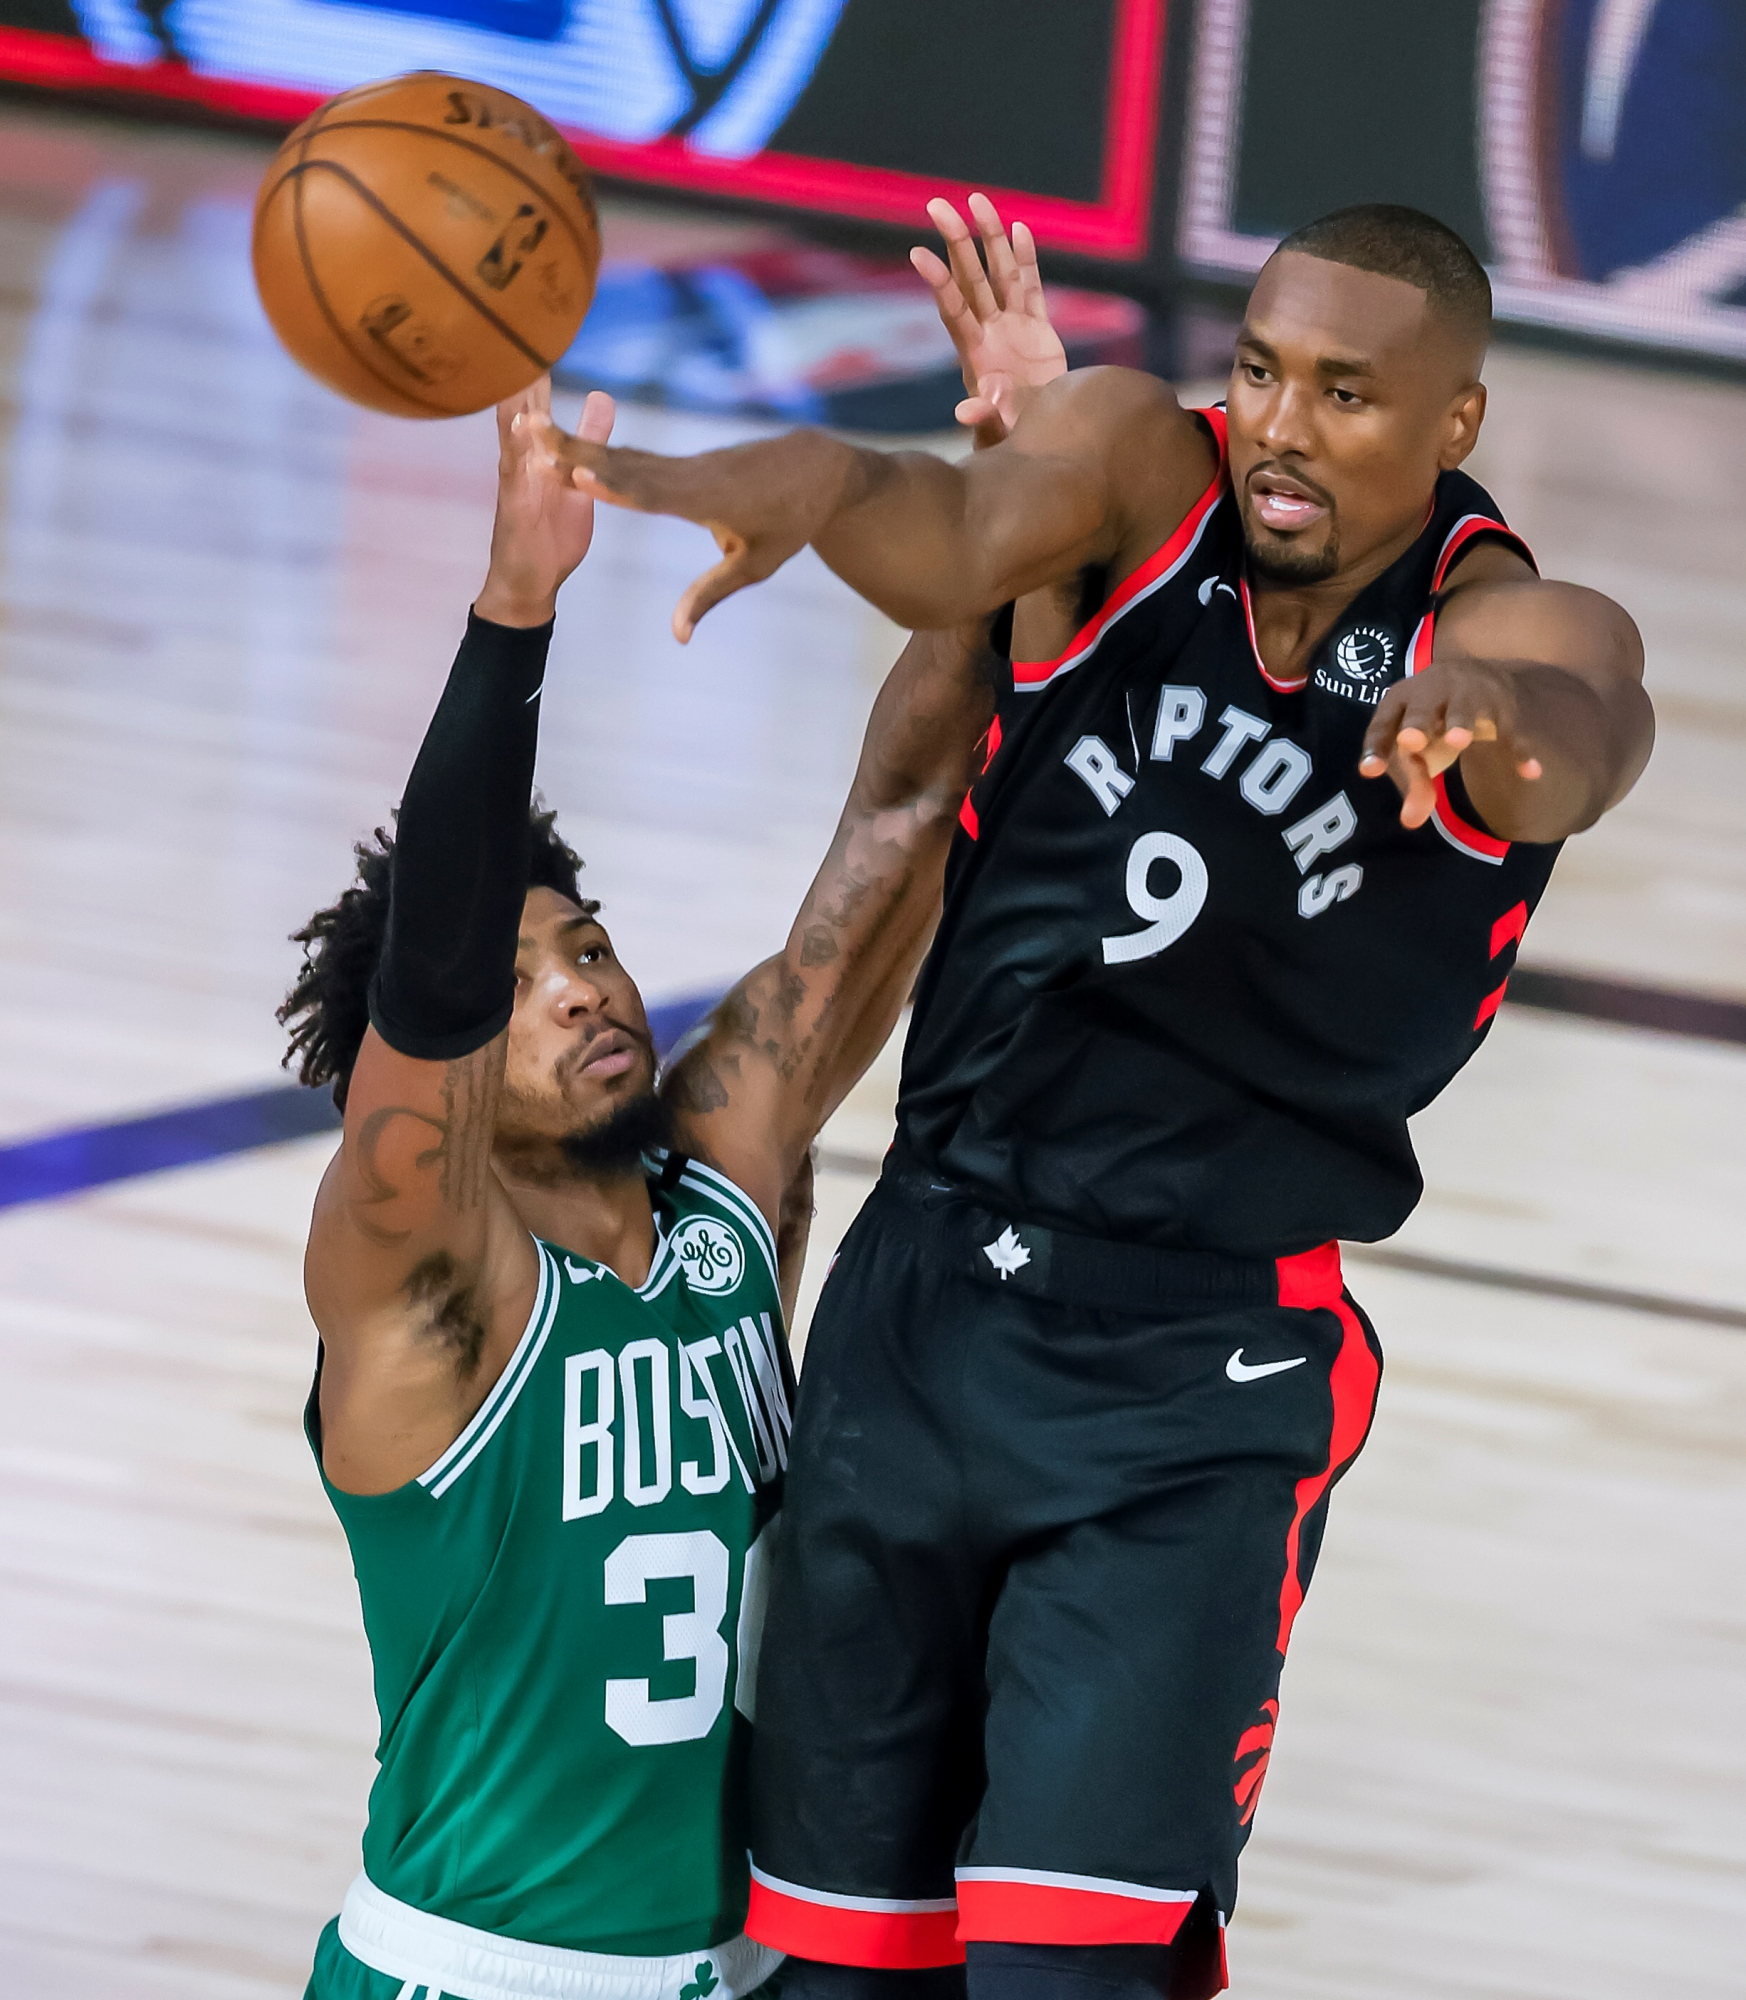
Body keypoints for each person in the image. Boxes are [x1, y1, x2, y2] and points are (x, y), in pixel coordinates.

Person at [534, 200, 1656, 2000]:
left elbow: (1587, 721)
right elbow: (962, 523)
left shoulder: (1505, 622)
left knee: (1065, 1978)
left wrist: (1488, 704)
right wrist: (819, 483)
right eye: (1265, 371)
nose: (1285, 426)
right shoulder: (1142, 466)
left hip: (1192, 1385)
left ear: (1455, 425)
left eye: (1351, 395)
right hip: (919, 1314)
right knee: (823, 1976)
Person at [277, 375, 997, 2000]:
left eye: (586, 947)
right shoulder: (415, 1286)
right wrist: (512, 613)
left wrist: (1007, 528)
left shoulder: (725, 1179)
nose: (583, 989)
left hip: (739, 1973)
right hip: (477, 1976)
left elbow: (897, 826)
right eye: (523, 980)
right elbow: (433, 991)